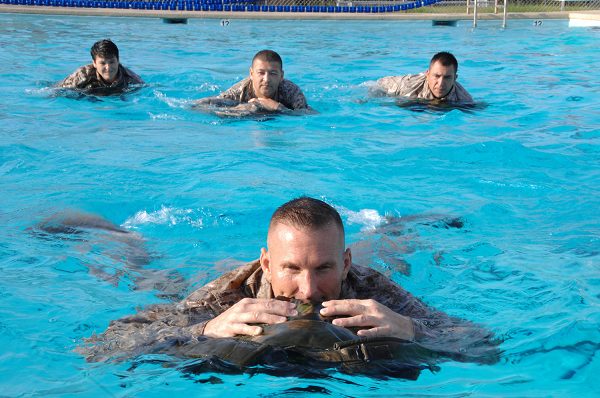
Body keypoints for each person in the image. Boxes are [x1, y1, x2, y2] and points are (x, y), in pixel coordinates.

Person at [79, 197, 499, 366]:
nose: (309, 291)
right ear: (266, 263)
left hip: (368, 261)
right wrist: (201, 330)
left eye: (324, 269)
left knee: (389, 249)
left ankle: (402, 225)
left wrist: (413, 329)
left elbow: (484, 347)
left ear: (345, 263)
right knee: (150, 276)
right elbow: (98, 350)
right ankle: (118, 234)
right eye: (291, 269)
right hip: (200, 277)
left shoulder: (371, 288)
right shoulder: (227, 295)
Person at [195, 49, 308, 115]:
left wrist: (278, 107)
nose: (266, 79)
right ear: (251, 74)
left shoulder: (291, 91)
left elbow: (307, 115)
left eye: (273, 73)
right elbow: (200, 107)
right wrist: (239, 110)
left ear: (281, 76)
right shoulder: (239, 91)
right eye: (261, 73)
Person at [373, 52, 473, 103]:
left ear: (455, 78)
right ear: (427, 75)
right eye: (436, 76)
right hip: (384, 86)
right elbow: (379, 86)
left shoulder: (464, 99)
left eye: (447, 77)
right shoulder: (407, 87)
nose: (441, 83)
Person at [56, 39, 144, 95]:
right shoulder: (82, 75)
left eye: (112, 62)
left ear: (118, 61)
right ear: (94, 63)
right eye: (102, 63)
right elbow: (55, 91)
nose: (108, 67)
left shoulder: (132, 79)